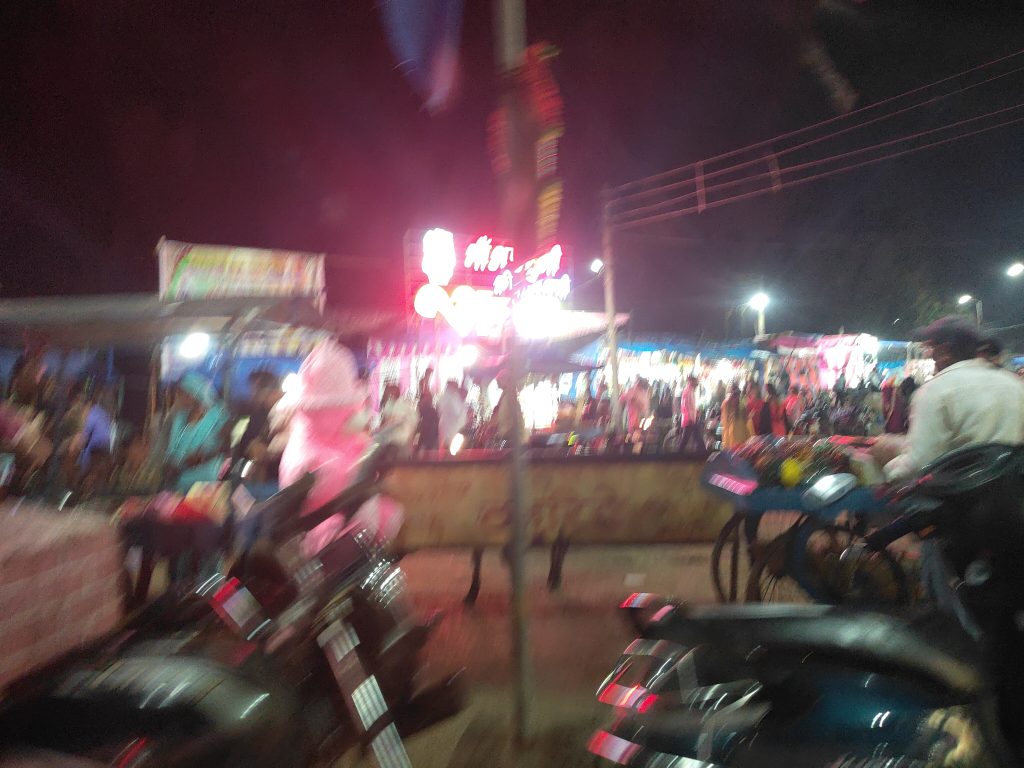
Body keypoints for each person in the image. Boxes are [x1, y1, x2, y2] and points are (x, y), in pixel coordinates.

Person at [278, 341, 400, 551]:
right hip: (322, 542)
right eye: (344, 407)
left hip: (344, 542)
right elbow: (320, 489)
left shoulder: (331, 441)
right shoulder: (307, 454)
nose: (352, 412)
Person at [873, 317, 1024, 481]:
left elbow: (919, 464)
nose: (929, 354)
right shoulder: (1013, 383)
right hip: (1014, 489)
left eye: (930, 347)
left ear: (944, 351)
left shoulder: (935, 390)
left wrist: (886, 467)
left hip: (964, 491)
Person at [163, 373, 230, 493]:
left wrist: (205, 457)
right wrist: (173, 465)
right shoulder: (179, 417)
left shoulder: (218, 416)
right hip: (179, 476)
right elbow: (173, 450)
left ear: (193, 394)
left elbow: (226, 447)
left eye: (181, 393)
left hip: (208, 476)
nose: (177, 397)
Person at [230, 369, 284, 482]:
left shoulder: (285, 411)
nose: (255, 394)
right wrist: (249, 447)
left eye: (260, 389)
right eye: (254, 389)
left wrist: (268, 451)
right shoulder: (247, 412)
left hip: (278, 469)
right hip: (250, 466)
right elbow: (238, 438)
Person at [378, 383, 417, 452]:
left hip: (402, 440)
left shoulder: (405, 404)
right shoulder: (388, 403)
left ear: (397, 392)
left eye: (390, 391)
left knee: (402, 457)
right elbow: (384, 419)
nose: (389, 394)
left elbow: (414, 421)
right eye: (388, 392)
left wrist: (411, 438)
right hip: (390, 440)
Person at [437, 380, 468, 451]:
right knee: (451, 453)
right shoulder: (450, 399)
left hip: (454, 434)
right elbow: (458, 415)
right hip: (451, 434)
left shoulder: (455, 399)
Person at [416, 369, 440, 454]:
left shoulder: (426, 382)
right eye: (429, 373)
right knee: (426, 429)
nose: (430, 375)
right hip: (425, 407)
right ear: (427, 373)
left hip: (426, 407)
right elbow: (423, 393)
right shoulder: (423, 381)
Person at [678, 375, 704, 453]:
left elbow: (690, 406)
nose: (697, 383)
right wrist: (691, 418)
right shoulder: (688, 391)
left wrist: (695, 413)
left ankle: (703, 452)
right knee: (688, 439)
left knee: (696, 438)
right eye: (696, 381)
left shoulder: (690, 390)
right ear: (692, 381)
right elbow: (686, 406)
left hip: (691, 419)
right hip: (689, 419)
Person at [720, 382, 750, 449]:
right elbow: (726, 423)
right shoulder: (726, 404)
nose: (736, 398)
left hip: (739, 440)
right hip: (733, 440)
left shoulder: (741, 405)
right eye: (734, 396)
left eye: (737, 395)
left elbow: (746, 420)